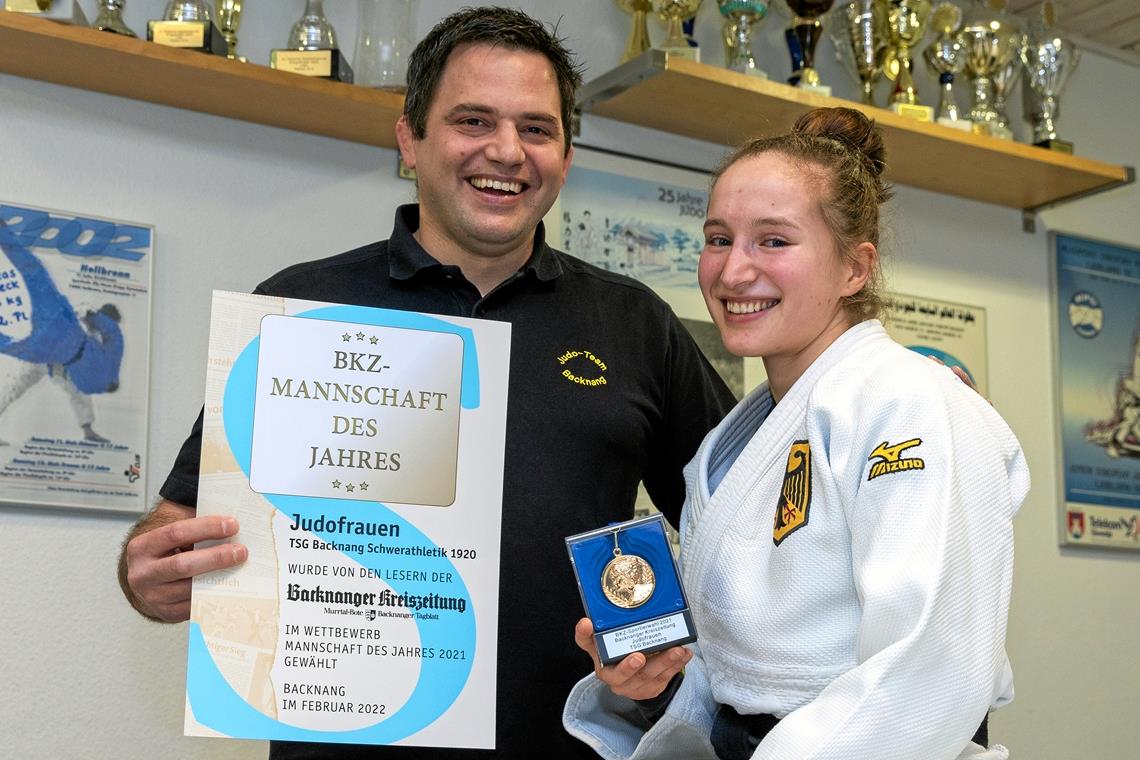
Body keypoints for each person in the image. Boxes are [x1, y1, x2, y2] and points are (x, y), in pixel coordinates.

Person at [116, 7, 736, 760]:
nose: (506, 152)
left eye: (537, 129)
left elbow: (736, 527)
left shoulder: (635, 324)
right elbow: (177, 523)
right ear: (410, 138)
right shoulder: (303, 308)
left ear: (565, 156)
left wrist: (666, 645)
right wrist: (148, 570)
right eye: (473, 120)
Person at [563, 107, 1030, 760]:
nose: (731, 273)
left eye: (773, 241)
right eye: (719, 238)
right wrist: (654, 682)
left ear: (855, 268)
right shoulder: (733, 441)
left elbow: (932, 666)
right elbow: (742, 672)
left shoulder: (913, 405)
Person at [0, 234, 123, 445]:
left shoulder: (98, 340)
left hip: (61, 365)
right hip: (40, 356)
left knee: (79, 394)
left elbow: (105, 366)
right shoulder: (83, 313)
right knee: (15, 387)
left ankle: (88, 430)